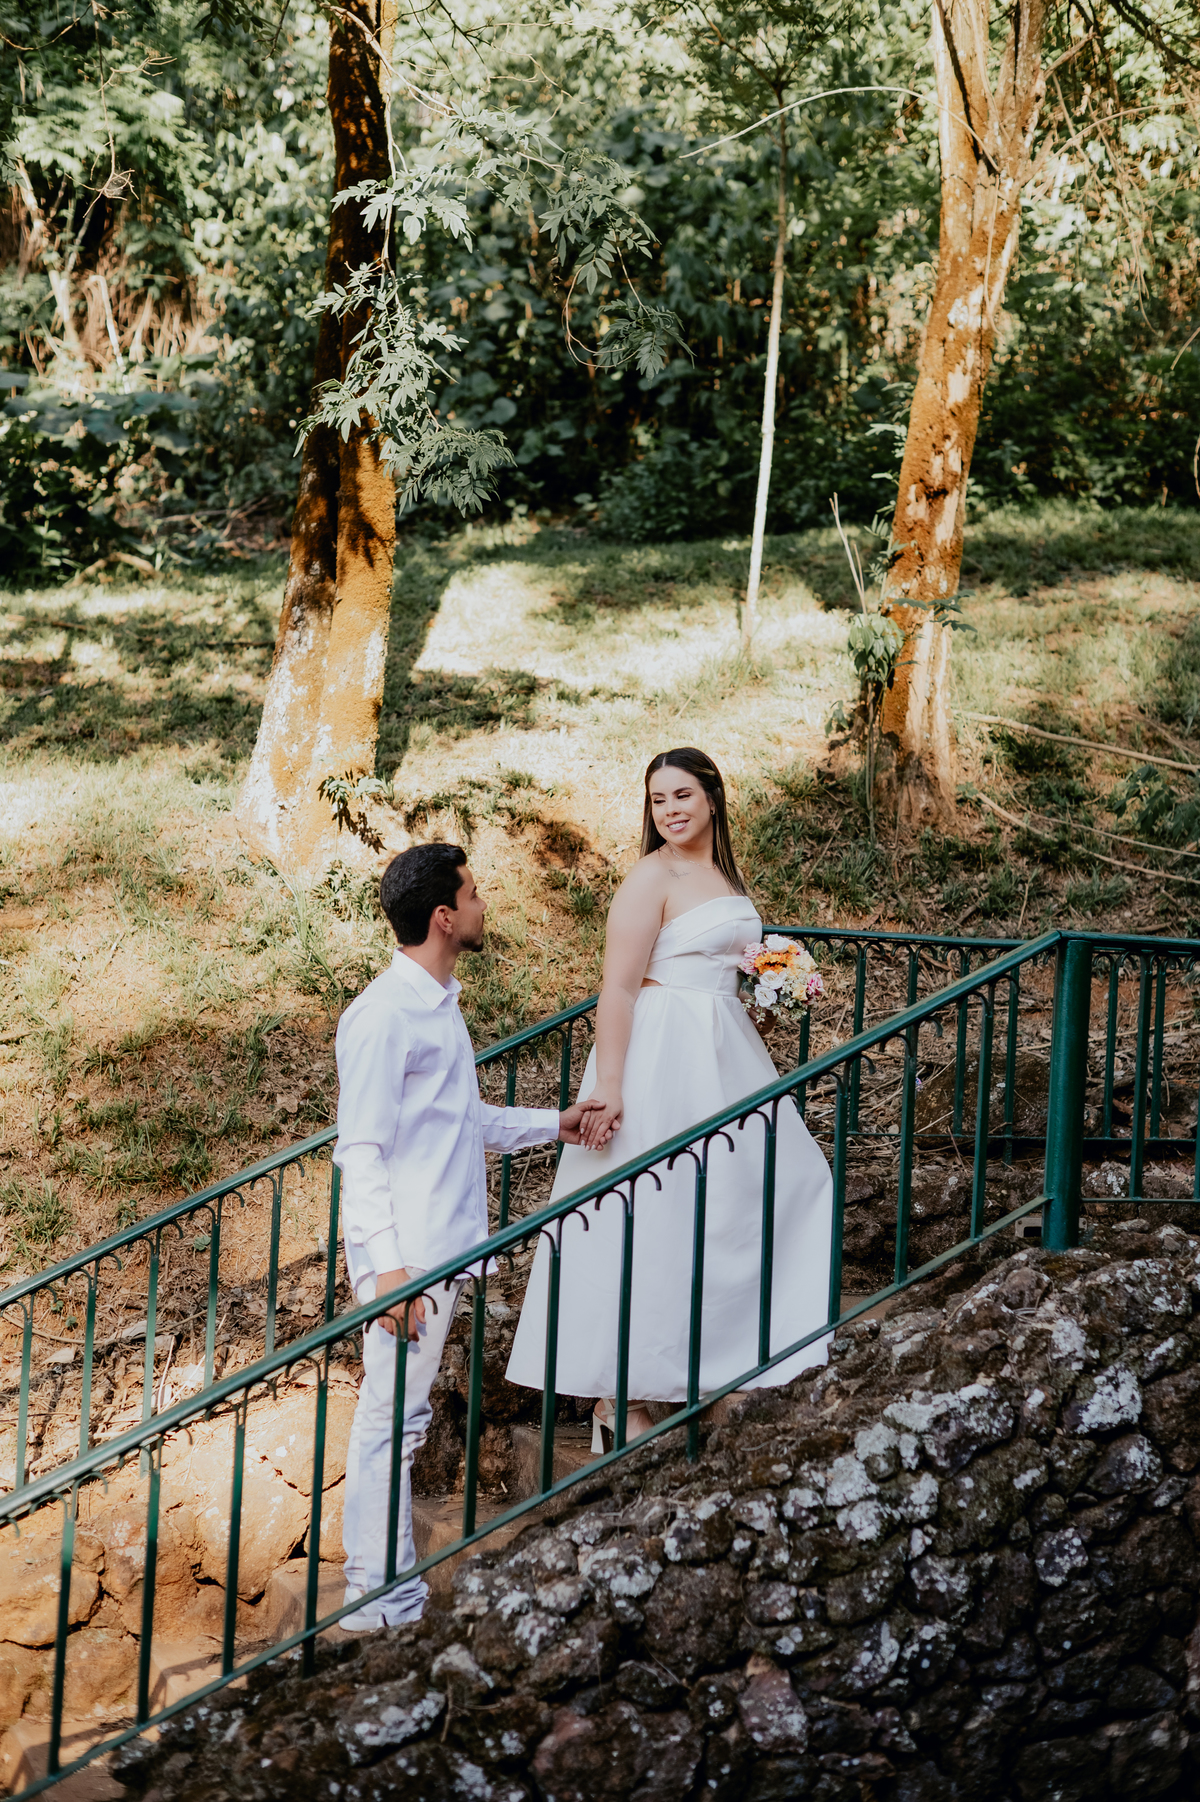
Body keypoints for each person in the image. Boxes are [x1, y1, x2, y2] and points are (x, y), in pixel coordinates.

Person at [506, 747, 833, 1449]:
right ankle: (615, 1398)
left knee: (769, 1187)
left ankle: (720, 1357)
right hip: (662, 1053)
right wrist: (612, 1085)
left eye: (682, 795)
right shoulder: (651, 875)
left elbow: (722, 968)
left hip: (725, 1049)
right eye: (658, 800)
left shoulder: (723, 875)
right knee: (650, 1210)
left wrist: (771, 987)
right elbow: (619, 989)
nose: (670, 810)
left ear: (712, 795)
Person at [333, 842, 588, 1629]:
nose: (483, 905)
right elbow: (359, 1150)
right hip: (407, 1258)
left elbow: (463, 1121)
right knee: (392, 1421)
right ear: (444, 917)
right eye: (473, 894)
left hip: (437, 1248)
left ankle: (383, 1593)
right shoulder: (383, 1016)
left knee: (398, 1420)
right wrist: (387, 1271)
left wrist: (558, 1124)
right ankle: (376, 1600)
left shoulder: (438, 1005)